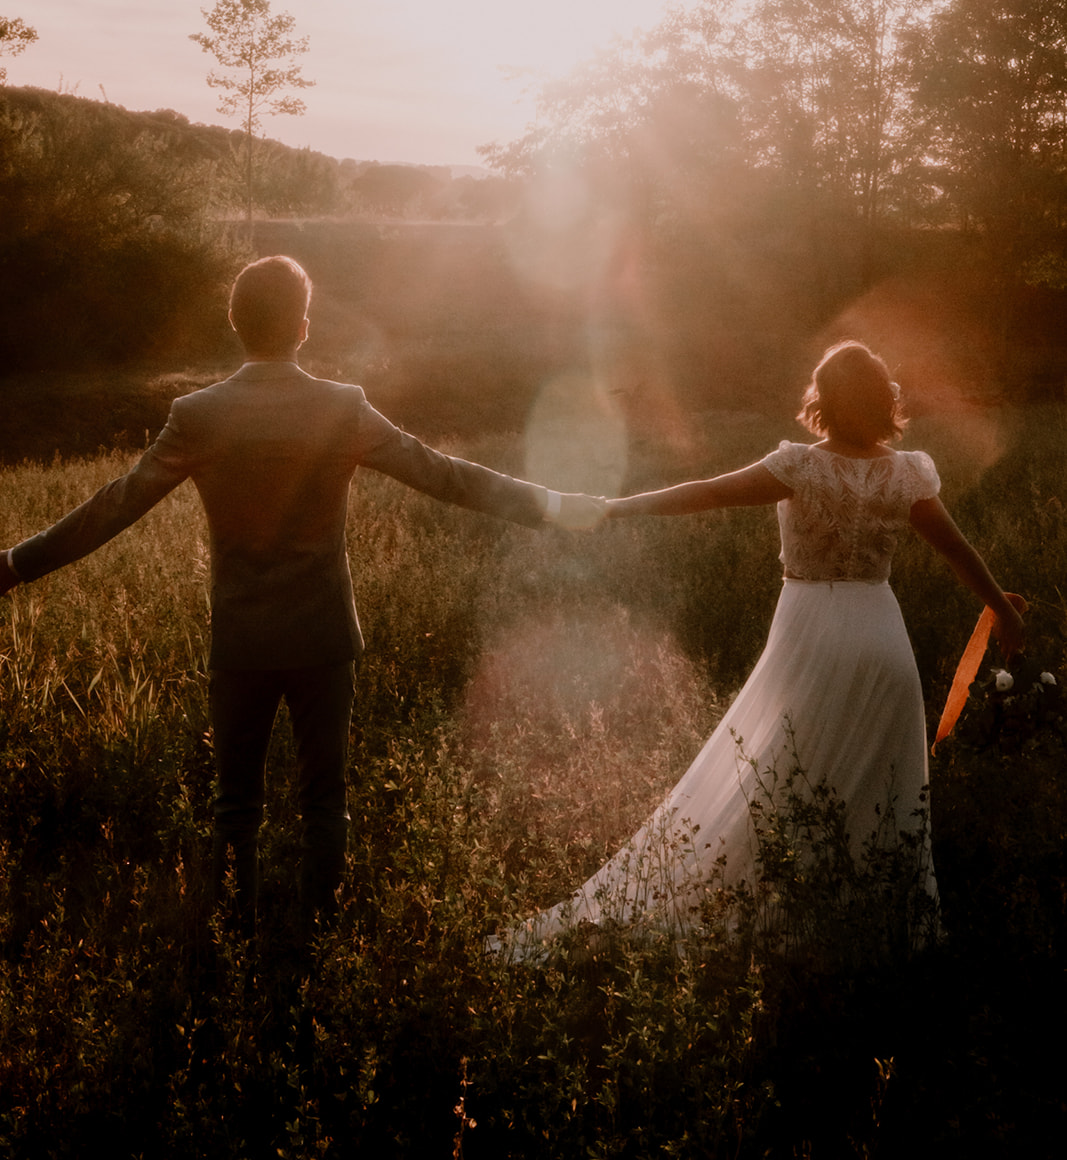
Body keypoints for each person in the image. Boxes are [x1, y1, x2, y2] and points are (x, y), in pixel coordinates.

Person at [0, 255, 601, 932]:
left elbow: (116, 504)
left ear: (234, 323)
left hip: (242, 639)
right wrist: (555, 505)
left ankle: (235, 949)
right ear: (304, 326)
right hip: (323, 636)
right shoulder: (341, 408)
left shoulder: (197, 414)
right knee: (324, 802)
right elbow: (446, 475)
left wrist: (18, 563)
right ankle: (318, 948)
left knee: (235, 809)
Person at [499, 340, 1024, 956]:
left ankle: (781, 909)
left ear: (822, 400)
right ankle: (878, 925)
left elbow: (706, 492)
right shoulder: (905, 473)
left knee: (783, 772)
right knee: (885, 782)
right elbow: (957, 550)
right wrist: (1000, 607)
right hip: (882, 636)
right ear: (885, 399)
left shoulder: (800, 466)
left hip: (811, 628)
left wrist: (613, 508)